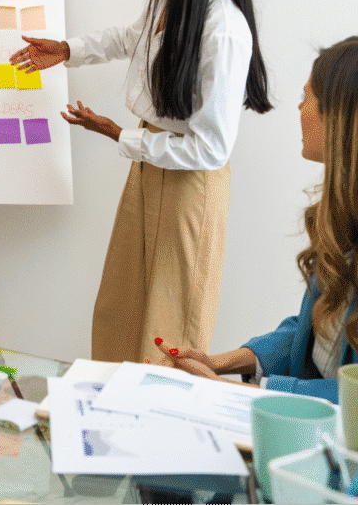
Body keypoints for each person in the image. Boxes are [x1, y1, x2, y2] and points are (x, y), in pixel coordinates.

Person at [10, 0, 272, 363]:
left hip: (190, 181)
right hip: (150, 165)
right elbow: (134, 38)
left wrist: (119, 135)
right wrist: (68, 50)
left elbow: (210, 149)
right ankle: (107, 401)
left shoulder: (224, 30)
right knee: (121, 306)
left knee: (169, 326)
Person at [147, 37, 358, 403]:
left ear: (339, 115)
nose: (299, 106)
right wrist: (217, 363)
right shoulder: (338, 221)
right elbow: (312, 334)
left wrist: (234, 391)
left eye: (307, 96)